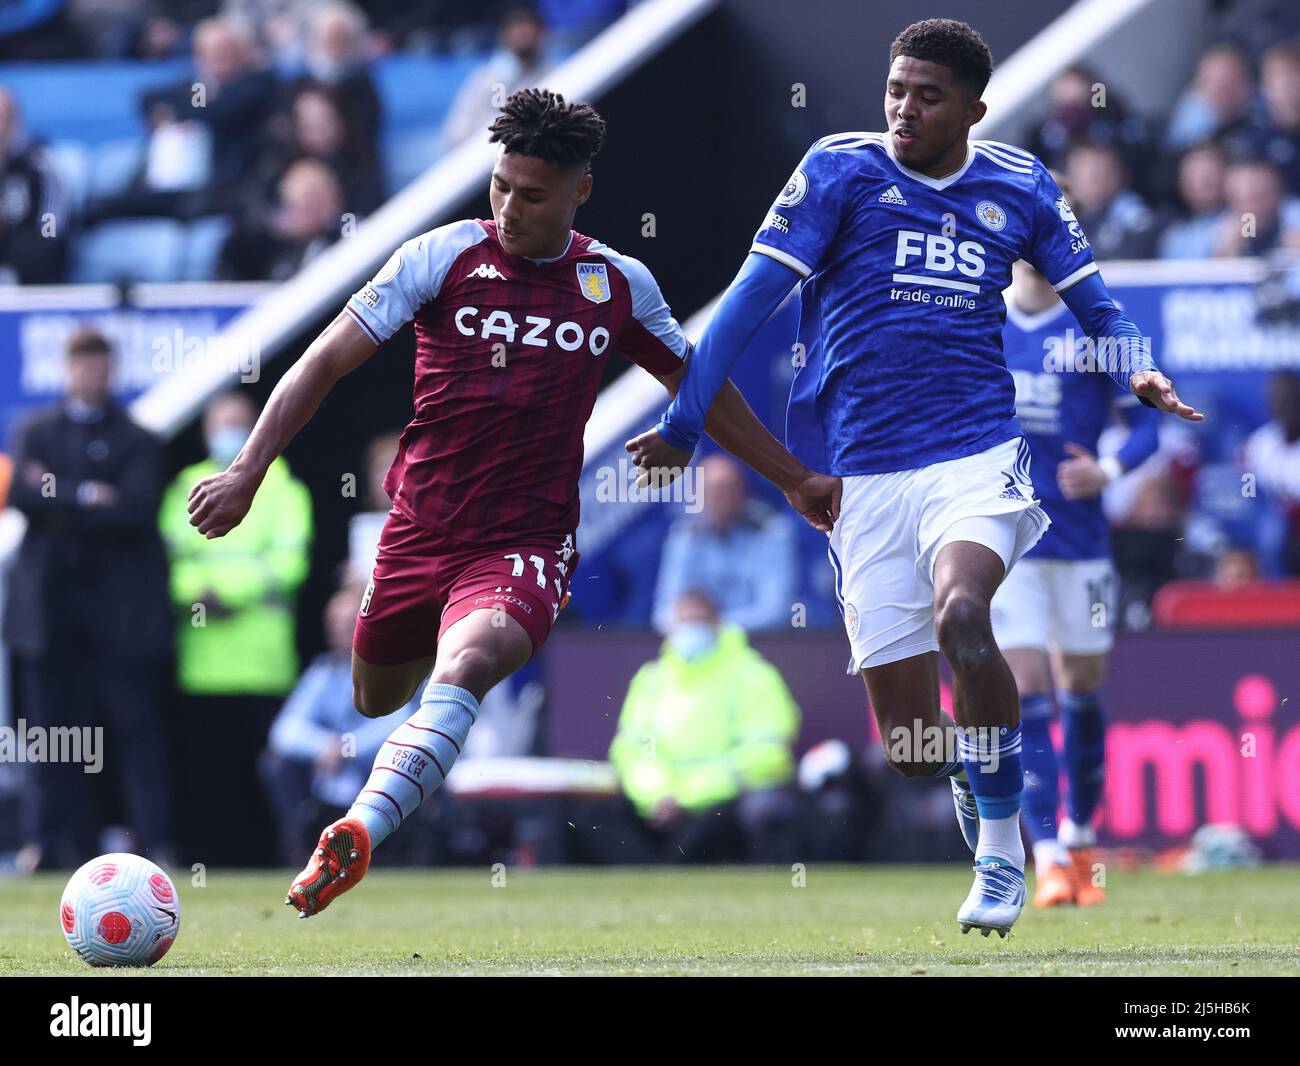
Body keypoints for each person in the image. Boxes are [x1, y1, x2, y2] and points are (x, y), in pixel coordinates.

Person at [186, 88, 837, 916]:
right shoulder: (442, 257)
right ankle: (403, 756)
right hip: (418, 533)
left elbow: (701, 382)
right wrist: (248, 468)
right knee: (376, 697)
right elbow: (321, 363)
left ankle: (356, 832)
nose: (510, 208)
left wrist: (795, 478)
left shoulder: (615, 284)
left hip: (524, 542)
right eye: (500, 186)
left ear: (579, 192)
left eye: (532, 195)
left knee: (469, 662)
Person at [626, 18, 1203, 936]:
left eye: (927, 95)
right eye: (896, 89)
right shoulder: (836, 171)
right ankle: (981, 781)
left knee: (965, 613)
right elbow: (746, 301)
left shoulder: (1018, 184)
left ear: (973, 108)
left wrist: (1136, 367)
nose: (903, 108)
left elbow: (1099, 304)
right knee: (910, 749)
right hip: (864, 477)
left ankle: (1009, 853)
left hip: (975, 453)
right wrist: (685, 420)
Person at [991, 254, 1159, 909]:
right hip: (1012, 542)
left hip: (1083, 545)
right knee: (1024, 692)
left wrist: (1110, 472)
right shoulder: (982, 318)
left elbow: (1144, 421)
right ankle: (1052, 859)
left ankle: (1081, 837)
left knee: (1081, 695)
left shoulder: (1094, 328)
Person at [5, 328, 174, 870]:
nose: (90, 376)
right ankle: (46, 843)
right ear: (67, 369)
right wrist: (90, 493)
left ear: (112, 370)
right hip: (50, 614)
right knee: (51, 737)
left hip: (118, 616)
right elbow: (23, 495)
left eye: (99, 366)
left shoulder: (138, 438)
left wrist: (61, 490)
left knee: (135, 728)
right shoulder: (34, 430)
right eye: (81, 365)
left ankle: (154, 841)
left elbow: (136, 508)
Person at [160, 390, 313, 866]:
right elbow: (167, 564)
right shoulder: (183, 487)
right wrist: (196, 595)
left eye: (241, 424)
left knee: (266, 778)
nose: (231, 434)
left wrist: (226, 594)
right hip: (203, 666)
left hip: (264, 665)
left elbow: (289, 565)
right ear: (206, 431)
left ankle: (274, 862)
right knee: (209, 780)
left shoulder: (286, 489)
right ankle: (212, 862)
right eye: (222, 424)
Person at [597, 590, 800, 863]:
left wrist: (686, 796)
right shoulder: (651, 679)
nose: (690, 631)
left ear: (717, 623)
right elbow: (629, 752)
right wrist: (658, 794)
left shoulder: (753, 676)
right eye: (683, 622)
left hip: (719, 803)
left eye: (698, 621)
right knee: (594, 813)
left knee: (728, 818)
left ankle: (663, 874)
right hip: (657, 804)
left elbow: (767, 756)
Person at [261, 580, 401, 866]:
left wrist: (349, 748)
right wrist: (324, 746)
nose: (338, 631)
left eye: (347, 623)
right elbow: (285, 729)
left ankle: (389, 854)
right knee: (275, 763)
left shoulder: (392, 664)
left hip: (371, 766)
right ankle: (302, 850)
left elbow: (401, 720)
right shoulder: (323, 670)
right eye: (333, 623)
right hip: (329, 768)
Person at [651, 453, 798, 633]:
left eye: (726, 490)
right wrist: (697, 625)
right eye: (711, 491)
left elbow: (776, 611)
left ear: (742, 493)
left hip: (757, 643)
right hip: (698, 644)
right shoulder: (685, 537)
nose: (719, 499)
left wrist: (713, 625)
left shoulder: (771, 532)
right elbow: (664, 613)